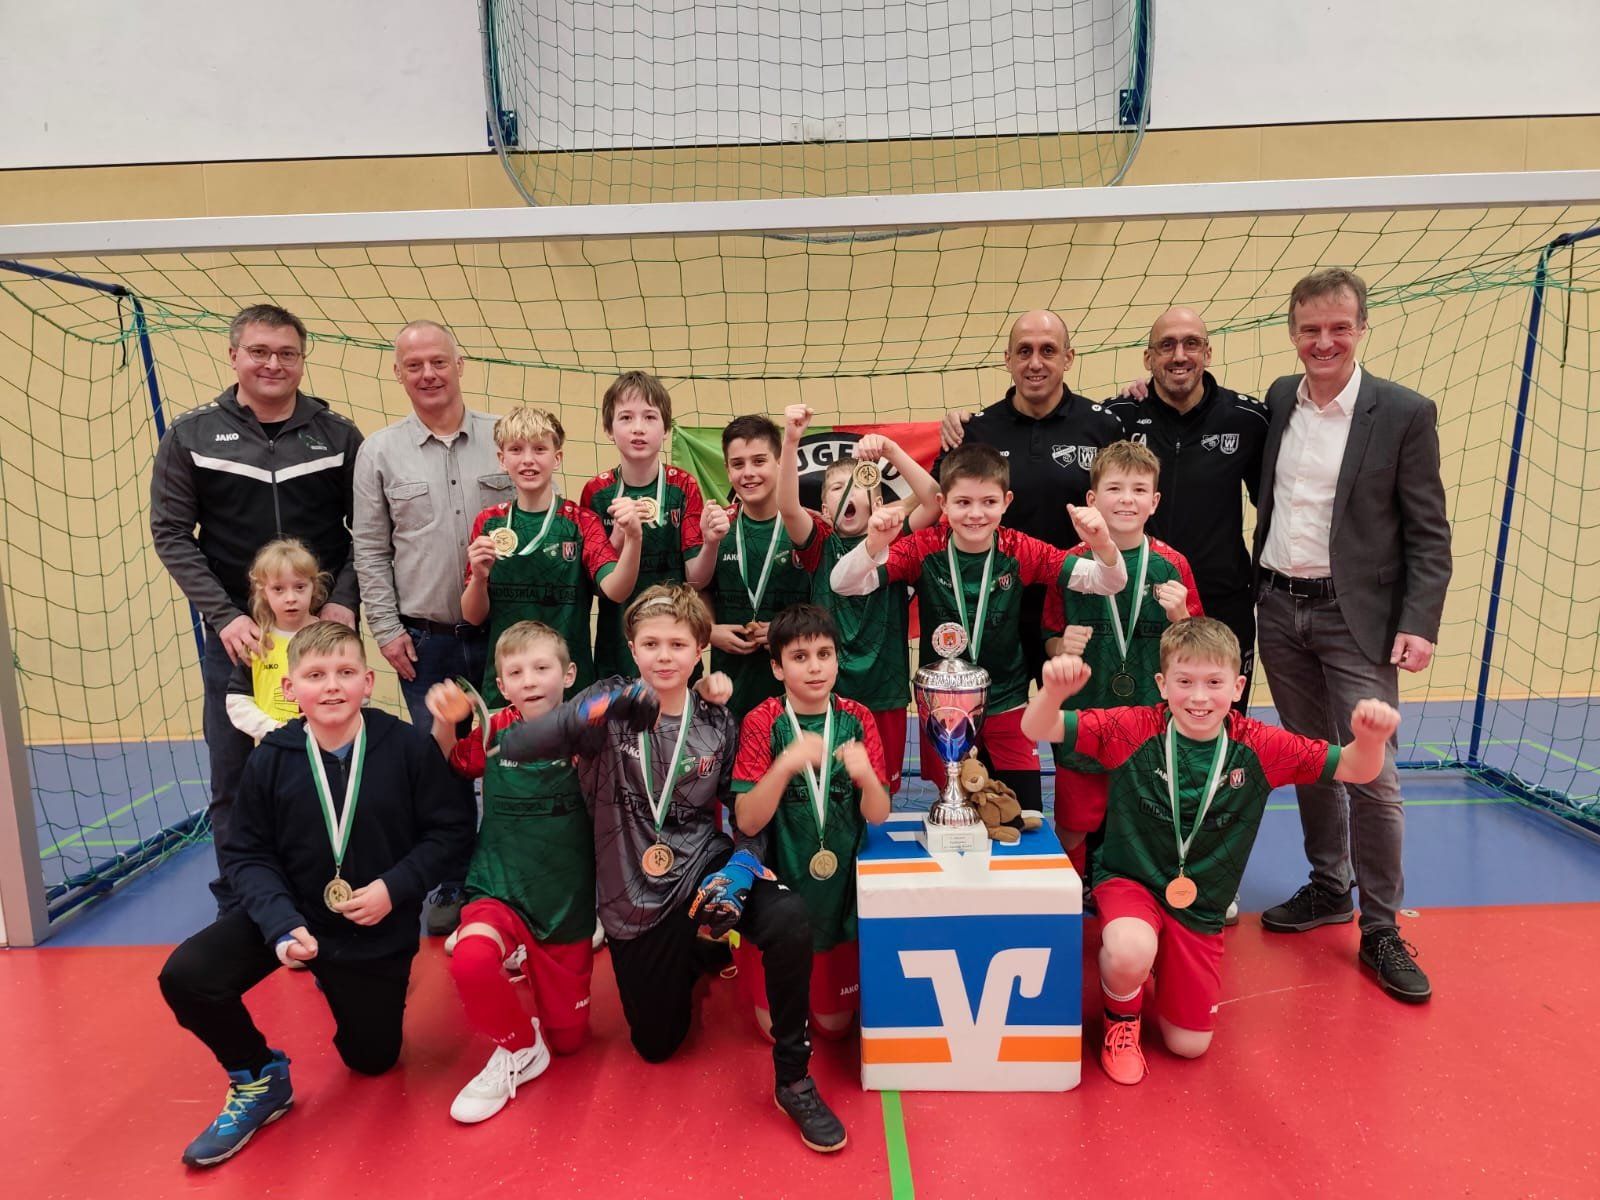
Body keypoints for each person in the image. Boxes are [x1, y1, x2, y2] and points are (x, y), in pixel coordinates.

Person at [496, 585, 849, 1153]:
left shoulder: (717, 721)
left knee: (786, 916)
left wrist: (741, 867)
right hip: (631, 893)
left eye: (678, 644)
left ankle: (793, 1078)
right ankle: (695, 951)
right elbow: (521, 741)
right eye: (651, 644)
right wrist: (600, 709)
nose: (664, 656)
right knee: (657, 1045)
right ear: (632, 648)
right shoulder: (607, 702)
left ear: (699, 650)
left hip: (702, 867)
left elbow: (745, 817)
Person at [1019, 621, 1401, 1085]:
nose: (1199, 697)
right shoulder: (1132, 728)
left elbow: (1358, 768)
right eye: (1184, 681)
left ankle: (1162, 965)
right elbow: (1035, 726)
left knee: (1188, 1045)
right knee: (1128, 949)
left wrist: (1370, 739)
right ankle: (1122, 1018)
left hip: (1200, 906)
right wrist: (1054, 693)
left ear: (1237, 688)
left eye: (1214, 683)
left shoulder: (1260, 746)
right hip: (1130, 881)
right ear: (1162, 684)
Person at [156, 621, 473, 1167]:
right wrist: (279, 922)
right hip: (293, 914)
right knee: (187, 976)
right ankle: (258, 1077)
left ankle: (364, 991)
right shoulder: (271, 758)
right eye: (315, 675)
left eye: (345, 672)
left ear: (368, 683)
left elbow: (450, 833)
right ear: (289, 689)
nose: (331, 686)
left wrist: (394, 889)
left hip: (374, 927)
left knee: (372, 1060)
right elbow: (246, 853)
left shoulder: (404, 746)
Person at [1251, 268, 1452, 1004]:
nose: (1324, 341)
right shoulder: (1280, 398)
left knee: (1374, 775)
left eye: (1339, 327)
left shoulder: (1403, 412)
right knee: (1311, 758)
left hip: (1355, 617)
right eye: (1310, 329)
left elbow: (1429, 532)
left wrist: (1418, 622)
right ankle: (1329, 886)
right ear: (1293, 333)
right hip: (1279, 609)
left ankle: (1382, 927)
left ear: (1362, 328)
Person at [150, 304, 362, 912]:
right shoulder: (191, 436)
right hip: (241, 642)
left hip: (323, 642)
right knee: (235, 775)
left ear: (302, 360)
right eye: (260, 351)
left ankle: (327, 888)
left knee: (334, 768)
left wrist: (342, 603)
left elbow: (368, 533)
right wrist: (226, 616)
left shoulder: (338, 435)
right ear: (234, 355)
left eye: (287, 353)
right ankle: (241, 901)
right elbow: (171, 534)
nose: (274, 364)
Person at [830, 443, 1128, 814]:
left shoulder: (1020, 550)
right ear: (943, 503)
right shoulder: (924, 548)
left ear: (1006, 501)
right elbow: (843, 584)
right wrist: (873, 544)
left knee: (1023, 816)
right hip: (945, 708)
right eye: (963, 502)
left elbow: (1109, 581)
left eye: (988, 502)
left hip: (1007, 703)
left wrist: (1102, 543)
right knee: (955, 814)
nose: (975, 514)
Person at [352, 319, 508, 935]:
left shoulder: (505, 438)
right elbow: (370, 549)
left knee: (509, 758)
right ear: (397, 373)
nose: (428, 374)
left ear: (459, 364)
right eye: (413, 365)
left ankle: (505, 877)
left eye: (439, 361)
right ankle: (450, 879)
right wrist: (386, 629)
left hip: (504, 640)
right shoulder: (378, 452)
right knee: (438, 768)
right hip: (424, 640)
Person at [423, 623, 593, 1124]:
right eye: (516, 673)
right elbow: (449, 762)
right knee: (470, 960)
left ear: (569, 674)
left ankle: (531, 959)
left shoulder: (588, 730)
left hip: (565, 898)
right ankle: (519, 1046)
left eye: (541, 668)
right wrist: (445, 722)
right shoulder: (493, 727)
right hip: (499, 884)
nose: (530, 680)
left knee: (571, 1042)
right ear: (500, 684)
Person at [936, 309, 1129, 677]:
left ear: (1068, 358)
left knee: (1074, 713)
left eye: (1048, 350)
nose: (1035, 363)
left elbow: (1131, 502)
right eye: (1024, 351)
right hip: (994, 606)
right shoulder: (976, 431)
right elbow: (935, 497)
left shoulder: (1103, 425)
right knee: (995, 712)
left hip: (1078, 602)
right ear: (1007, 359)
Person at [1042, 440, 1202, 875]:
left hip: (1151, 717)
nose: (1127, 499)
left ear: (1155, 501)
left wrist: (1180, 615)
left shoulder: (1172, 565)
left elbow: (1199, 653)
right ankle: (1073, 887)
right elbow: (1049, 639)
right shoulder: (1070, 565)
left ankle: (1141, 885)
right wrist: (1061, 646)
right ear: (1092, 500)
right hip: (1085, 712)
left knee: (1150, 817)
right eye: (1114, 489)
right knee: (1074, 822)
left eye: (1138, 490)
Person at [731, 604, 890, 1040]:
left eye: (824, 654)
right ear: (777, 668)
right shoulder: (762, 721)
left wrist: (866, 777)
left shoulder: (858, 718)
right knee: (774, 1031)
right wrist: (784, 765)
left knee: (835, 1028)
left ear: (838, 658)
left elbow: (878, 814)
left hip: (839, 899)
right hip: (780, 892)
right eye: (800, 657)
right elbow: (747, 822)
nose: (815, 667)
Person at [778, 405, 942, 792]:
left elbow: (934, 501)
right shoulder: (819, 543)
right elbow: (786, 506)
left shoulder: (896, 539)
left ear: (879, 504)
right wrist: (791, 440)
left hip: (885, 687)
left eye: (858, 485)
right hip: (828, 691)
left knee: (879, 794)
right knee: (831, 790)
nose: (847, 492)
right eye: (837, 488)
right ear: (824, 509)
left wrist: (891, 450)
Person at [1104, 307, 1269, 691]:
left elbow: (1275, 505)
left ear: (1207, 353)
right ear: (1148, 358)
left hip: (1221, 604)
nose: (1179, 355)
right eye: (1166, 345)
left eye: (1191, 344)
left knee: (1219, 715)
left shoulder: (1247, 419)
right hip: (1136, 603)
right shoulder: (1118, 417)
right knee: (1139, 717)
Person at [461, 406, 641, 706]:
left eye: (539, 449)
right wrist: (479, 578)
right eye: (516, 449)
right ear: (502, 459)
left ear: (557, 458)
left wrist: (634, 538)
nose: (528, 459)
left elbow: (616, 590)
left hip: (571, 689)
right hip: (508, 688)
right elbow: (472, 615)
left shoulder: (581, 522)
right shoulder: (489, 522)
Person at [581, 370, 714, 678]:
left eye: (650, 417)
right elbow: (597, 587)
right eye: (626, 418)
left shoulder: (684, 486)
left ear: (666, 429)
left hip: (675, 641)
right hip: (618, 643)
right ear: (608, 429)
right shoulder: (596, 492)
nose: (638, 428)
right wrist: (619, 537)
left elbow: (696, 579)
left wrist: (711, 542)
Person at [699, 414, 829, 719]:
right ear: (727, 470)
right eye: (738, 464)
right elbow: (701, 588)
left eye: (759, 461)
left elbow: (826, 603)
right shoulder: (718, 526)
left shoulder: (808, 527)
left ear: (780, 464)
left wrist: (786, 632)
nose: (748, 473)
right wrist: (709, 630)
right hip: (730, 690)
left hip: (795, 691)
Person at [224, 539, 329, 741]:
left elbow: (354, 690)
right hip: (276, 746)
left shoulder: (332, 638)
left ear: (313, 586)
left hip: (327, 745)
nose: (291, 598)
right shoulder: (257, 644)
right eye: (278, 589)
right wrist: (274, 729)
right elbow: (237, 701)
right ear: (263, 592)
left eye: (299, 587)